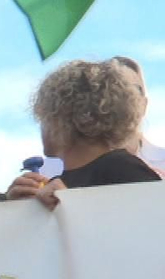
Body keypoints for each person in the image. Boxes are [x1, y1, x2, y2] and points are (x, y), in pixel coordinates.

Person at [9, 59, 156, 209]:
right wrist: (12, 210)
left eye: (43, 118)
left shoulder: (122, 168)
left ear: (60, 119)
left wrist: (74, 206)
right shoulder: (54, 184)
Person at [111, 56, 164, 178]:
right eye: (115, 89)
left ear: (144, 104)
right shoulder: (69, 169)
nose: (125, 98)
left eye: (133, 90)